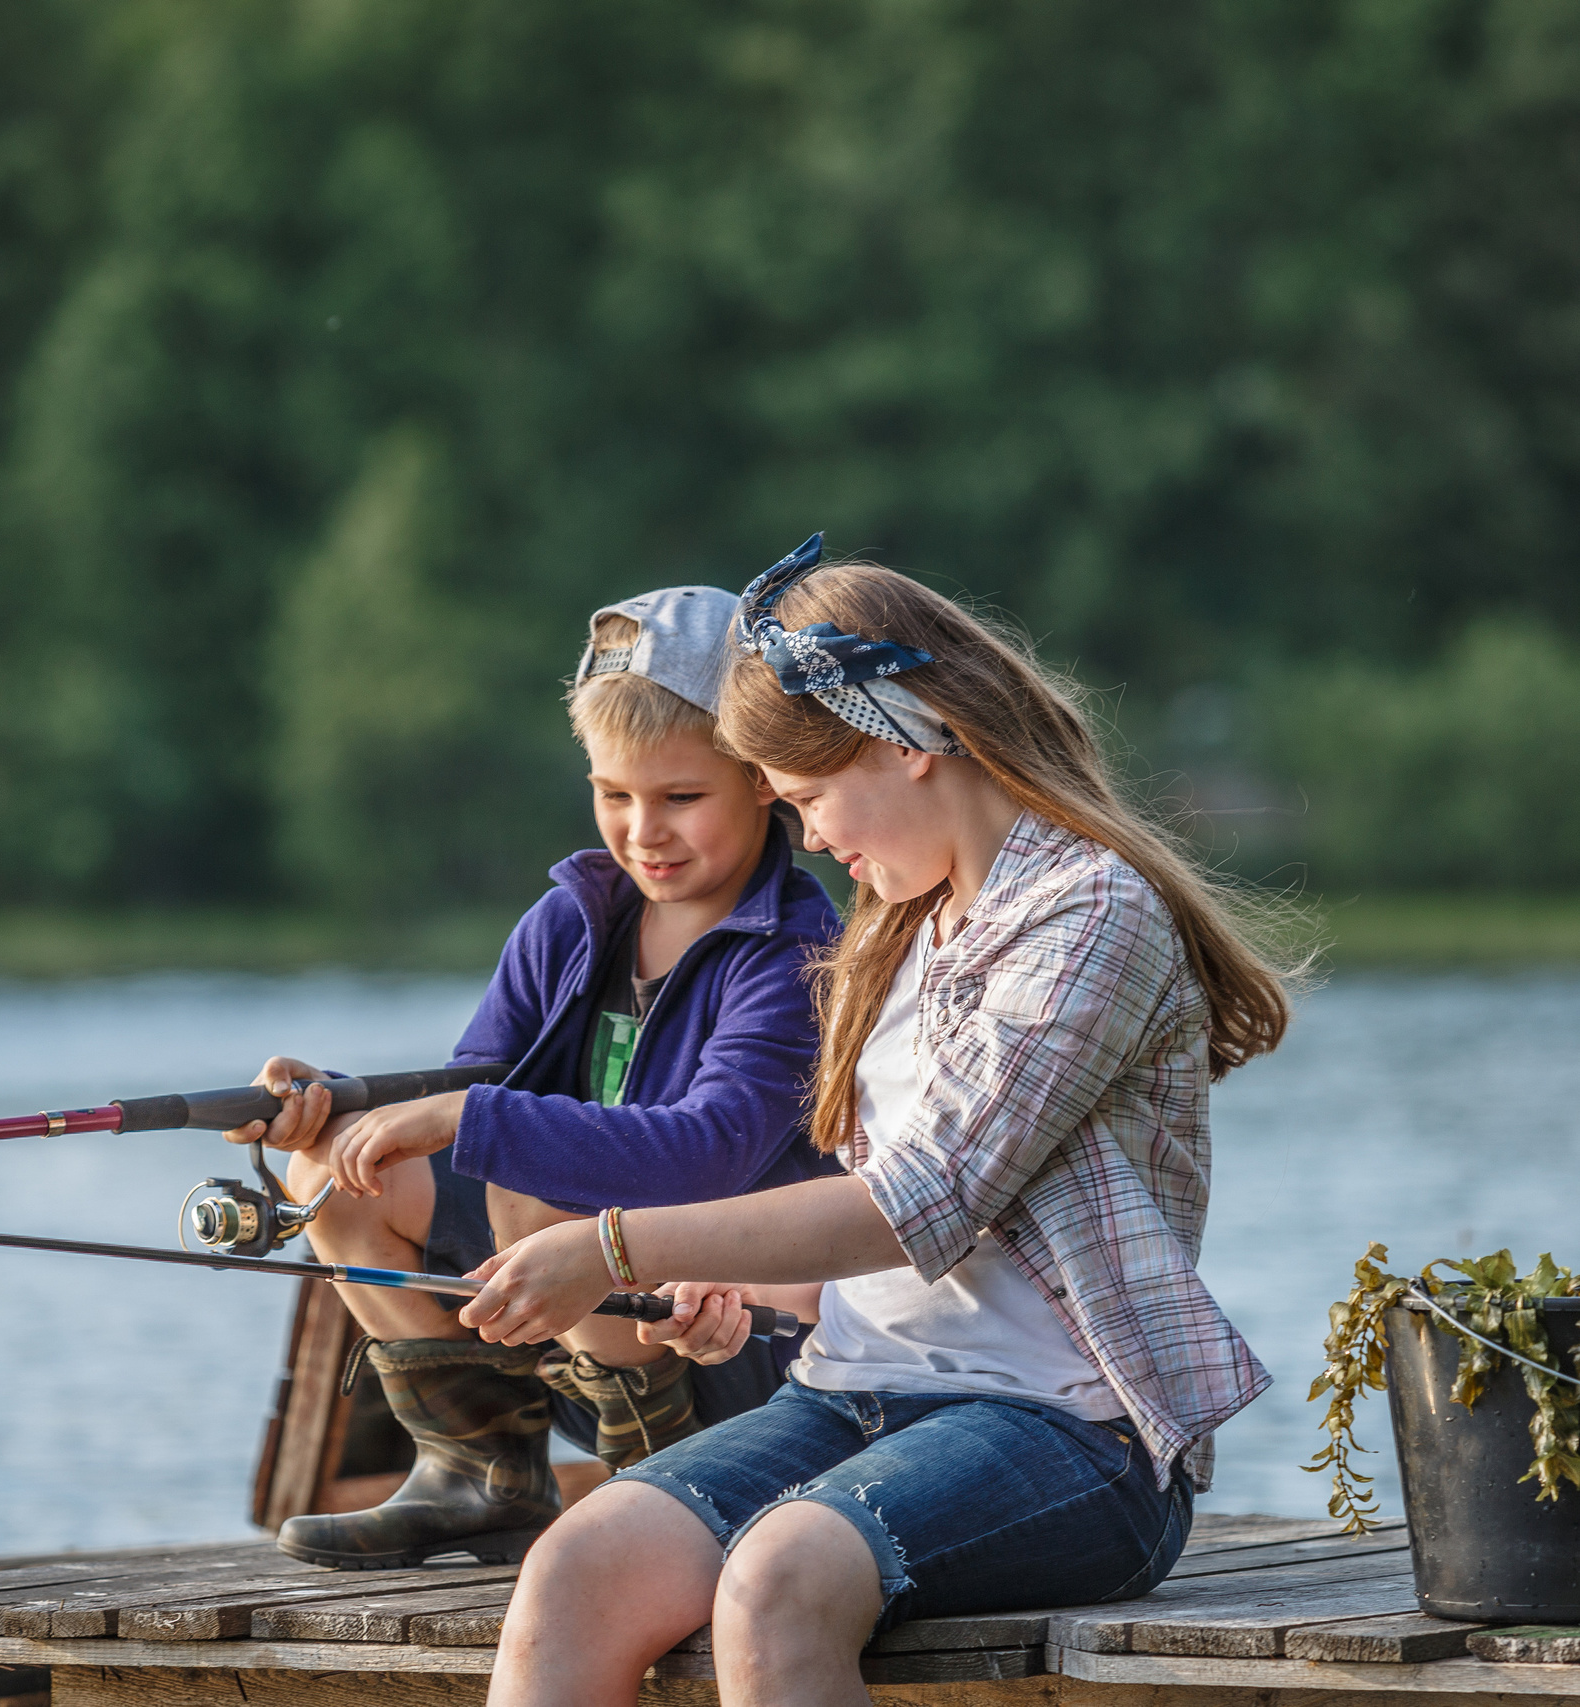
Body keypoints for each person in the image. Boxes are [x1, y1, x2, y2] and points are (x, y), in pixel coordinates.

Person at [454, 536, 1294, 1707]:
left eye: (802, 798)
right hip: (844, 1395)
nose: (803, 838)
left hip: (1066, 1434)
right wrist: (754, 1295)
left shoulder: (1090, 911)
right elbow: (897, 1257)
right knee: (574, 1571)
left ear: (900, 742)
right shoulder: (890, 926)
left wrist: (612, 1248)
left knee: (777, 1579)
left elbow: (925, 1204)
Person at [229, 584, 839, 1569]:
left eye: (680, 797)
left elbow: (710, 1146)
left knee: (526, 1165)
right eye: (614, 795)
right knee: (344, 1180)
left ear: (763, 780)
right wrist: (334, 1106)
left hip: (734, 1342)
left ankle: (666, 1479)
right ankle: (484, 1477)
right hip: (572, 1315)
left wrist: (474, 1118)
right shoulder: (569, 919)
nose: (643, 831)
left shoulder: (793, 954)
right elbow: (471, 1081)